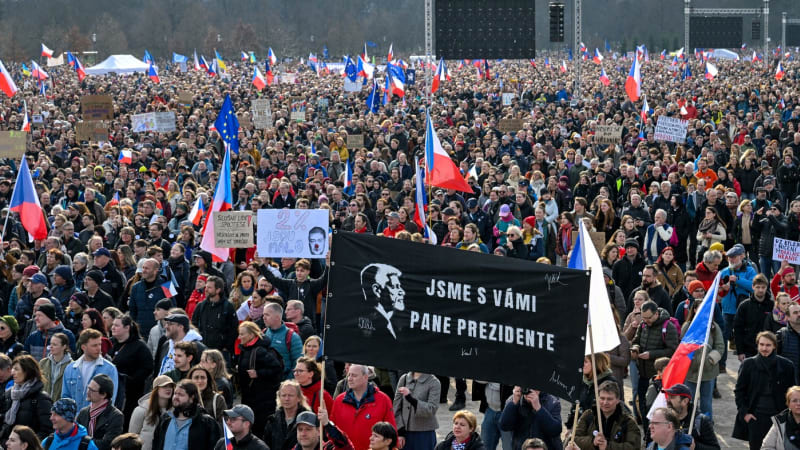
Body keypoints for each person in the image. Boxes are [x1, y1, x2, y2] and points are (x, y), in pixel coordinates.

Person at [733, 331, 798, 449]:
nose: (764, 348)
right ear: (757, 345)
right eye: (761, 344)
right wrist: (745, 413)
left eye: (768, 345)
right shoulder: (748, 364)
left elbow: (793, 393)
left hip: (779, 416)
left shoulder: (787, 365)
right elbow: (739, 391)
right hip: (756, 417)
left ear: (774, 346)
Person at [630, 300, 679, 426]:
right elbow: (636, 340)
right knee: (643, 404)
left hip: (659, 378)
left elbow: (672, 350)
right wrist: (635, 348)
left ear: (656, 314)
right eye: (643, 317)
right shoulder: (643, 325)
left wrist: (651, 354)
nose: (646, 320)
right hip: (643, 373)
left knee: (657, 409)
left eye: (648, 318)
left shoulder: (668, 327)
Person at [331, 364, 396, 450]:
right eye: (349, 375)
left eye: (354, 375)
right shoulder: (339, 400)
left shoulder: (383, 400)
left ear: (365, 377)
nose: (349, 379)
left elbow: (391, 433)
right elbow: (332, 432)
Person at [236, 321, 283, 439]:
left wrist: (259, 373)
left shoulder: (260, 351)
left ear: (252, 335)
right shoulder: (246, 349)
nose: (239, 337)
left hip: (262, 399)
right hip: (250, 396)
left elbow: (277, 368)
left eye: (242, 334)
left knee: (259, 429)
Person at [680, 296, 724, 419]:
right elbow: (682, 347)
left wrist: (709, 360)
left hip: (708, 371)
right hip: (690, 371)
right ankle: (689, 422)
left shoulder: (714, 327)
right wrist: (690, 360)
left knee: (706, 402)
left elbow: (720, 347)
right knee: (689, 400)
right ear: (694, 310)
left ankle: (707, 424)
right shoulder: (687, 326)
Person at [566, 381, 641, 450]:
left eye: (609, 399)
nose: (605, 402)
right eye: (602, 398)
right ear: (597, 398)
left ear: (618, 400)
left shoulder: (628, 422)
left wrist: (608, 446)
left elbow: (634, 447)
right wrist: (593, 442)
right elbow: (573, 439)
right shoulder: (588, 415)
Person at [107, 314, 153, 426]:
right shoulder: (111, 343)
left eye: (117, 325)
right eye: (112, 325)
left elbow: (148, 367)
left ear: (127, 328)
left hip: (130, 394)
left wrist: (130, 380)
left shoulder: (139, 346)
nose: (113, 327)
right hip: (111, 392)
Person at [151, 380, 220, 450]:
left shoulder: (206, 423)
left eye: (181, 394)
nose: (176, 397)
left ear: (192, 398)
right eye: (175, 393)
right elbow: (156, 444)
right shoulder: (165, 419)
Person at [259, 259, 327, 329]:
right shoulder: (289, 284)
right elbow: (272, 279)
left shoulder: (312, 285)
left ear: (308, 272)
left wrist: (327, 265)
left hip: (308, 324)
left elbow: (324, 279)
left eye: (302, 271)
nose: (299, 273)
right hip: (290, 324)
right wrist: (261, 265)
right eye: (297, 270)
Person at [61, 329, 119, 411]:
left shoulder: (110, 369)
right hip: (73, 420)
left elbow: (110, 400)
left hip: (97, 420)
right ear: (83, 347)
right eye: (94, 345)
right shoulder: (70, 368)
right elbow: (65, 398)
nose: (99, 348)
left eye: (100, 344)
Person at [0, 355, 53, 440]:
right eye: (13, 368)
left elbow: (47, 430)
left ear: (27, 371)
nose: (12, 372)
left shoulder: (41, 398)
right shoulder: (9, 395)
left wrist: (27, 445)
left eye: (16, 369)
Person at [191, 276, 238, 362]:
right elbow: (193, 325)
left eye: (209, 287)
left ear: (218, 290)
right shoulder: (201, 306)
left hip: (221, 353)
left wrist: (226, 347)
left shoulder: (228, 307)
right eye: (206, 287)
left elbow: (234, 329)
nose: (206, 289)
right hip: (202, 350)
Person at [565, 354, 617, 430]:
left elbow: (611, 412)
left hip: (600, 431)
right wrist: (570, 426)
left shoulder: (609, 383)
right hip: (580, 429)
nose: (581, 364)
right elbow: (575, 406)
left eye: (585, 361)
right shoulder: (582, 380)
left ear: (596, 363)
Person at [662, 384, 720, 450]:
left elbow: (715, 448)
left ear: (685, 401)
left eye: (672, 397)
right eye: (667, 397)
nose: (667, 400)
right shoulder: (662, 419)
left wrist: (695, 446)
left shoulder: (701, 421)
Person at [393, 371, 440, 450]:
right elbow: (396, 407)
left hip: (424, 434)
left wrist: (411, 399)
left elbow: (432, 409)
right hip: (404, 433)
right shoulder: (404, 379)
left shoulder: (434, 382)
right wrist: (400, 432)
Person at [75, 375, 123, 450]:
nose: (87, 392)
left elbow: (108, 444)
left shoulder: (116, 416)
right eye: (88, 388)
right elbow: (74, 437)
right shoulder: (83, 412)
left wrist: (84, 442)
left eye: (92, 390)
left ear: (103, 395)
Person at [128, 376, 174, 450]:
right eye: (164, 386)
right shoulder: (141, 410)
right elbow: (132, 436)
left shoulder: (175, 413)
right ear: (156, 389)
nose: (168, 389)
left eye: (171, 386)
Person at [733, 274, 773, 360]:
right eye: (758, 287)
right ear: (753, 287)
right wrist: (740, 351)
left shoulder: (772, 305)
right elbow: (737, 329)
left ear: (767, 287)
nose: (761, 290)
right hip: (748, 350)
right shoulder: (744, 306)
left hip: (768, 349)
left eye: (763, 287)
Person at [264, 380, 310, 450]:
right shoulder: (272, 420)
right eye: (283, 395)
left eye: (290, 395)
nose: (287, 399)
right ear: (279, 397)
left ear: (298, 398)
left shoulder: (308, 420)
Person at [263, 303, 303, 380]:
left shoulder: (292, 337)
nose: (264, 318)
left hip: (283, 383)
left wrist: (287, 382)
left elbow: (298, 363)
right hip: (265, 383)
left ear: (277, 317)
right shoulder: (263, 333)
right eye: (263, 315)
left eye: (267, 315)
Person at [39, 333, 72, 403]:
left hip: (61, 407)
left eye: (55, 344)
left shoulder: (72, 366)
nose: (51, 346)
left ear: (64, 346)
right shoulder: (43, 363)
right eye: (50, 344)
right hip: (44, 405)